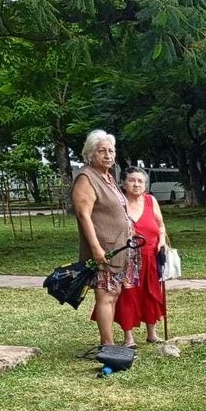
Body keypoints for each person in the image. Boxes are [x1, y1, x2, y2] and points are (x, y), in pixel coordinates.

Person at [73, 129, 137, 348]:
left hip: (119, 248)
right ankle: (107, 344)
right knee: (105, 295)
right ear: (90, 153)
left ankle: (108, 341)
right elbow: (83, 215)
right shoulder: (86, 177)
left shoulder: (108, 177)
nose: (108, 155)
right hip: (104, 250)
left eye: (111, 150)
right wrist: (96, 248)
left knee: (114, 293)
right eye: (102, 151)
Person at [114, 167, 170, 347]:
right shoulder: (119, 203)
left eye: (140, 181)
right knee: (128, 296)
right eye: (132, 180)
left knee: (152, 294)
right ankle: (128, 338)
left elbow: (160, 226)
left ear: (145, 184)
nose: (136, 184)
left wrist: (162, 241)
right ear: (124, 183)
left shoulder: (150, 201)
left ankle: (152, 333)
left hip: (151, 256)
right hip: (128, 259)